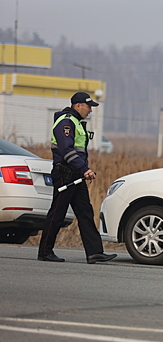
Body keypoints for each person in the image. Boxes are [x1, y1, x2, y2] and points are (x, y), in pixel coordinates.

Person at [38, 92, 117, 264]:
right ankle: (45, 251)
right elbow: (67, 151)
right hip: (65, 174)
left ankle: (94, 252)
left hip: (76, 175)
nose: (90, 110)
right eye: (88, 106)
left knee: (85, 213)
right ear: (78, 105)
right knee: (57, 214)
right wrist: (85, 169)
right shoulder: (66, 122)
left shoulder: (77, 123)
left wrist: (82, 170)